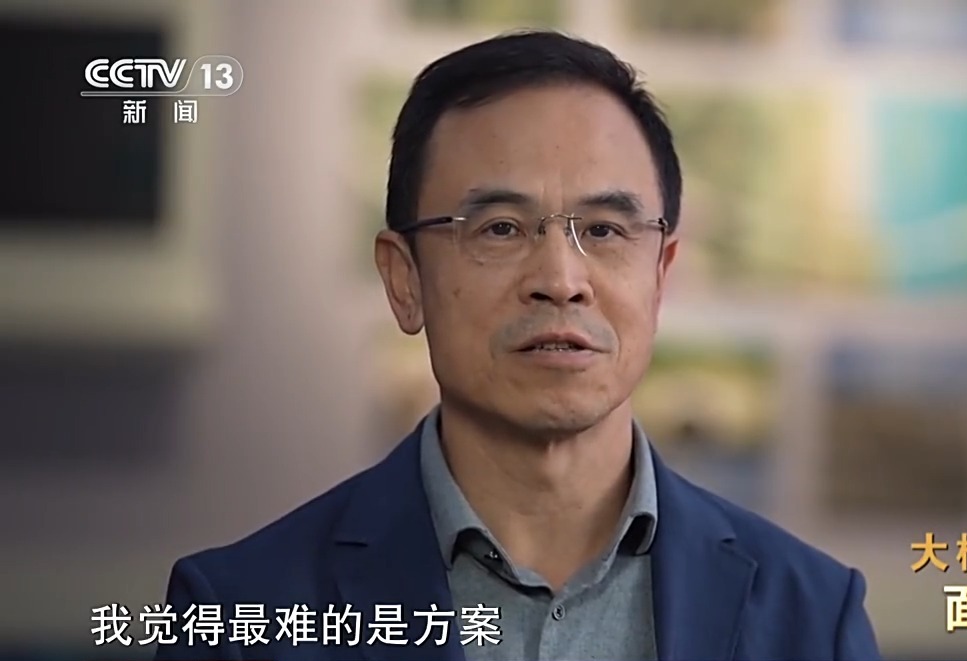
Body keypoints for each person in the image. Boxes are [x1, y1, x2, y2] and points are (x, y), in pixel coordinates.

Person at [156, 30, 880, 661]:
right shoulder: (238, 612)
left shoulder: (812, 614)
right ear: (404, 280)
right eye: (500, 228)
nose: (560, 281)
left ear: (661, 276)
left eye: (604, 230)